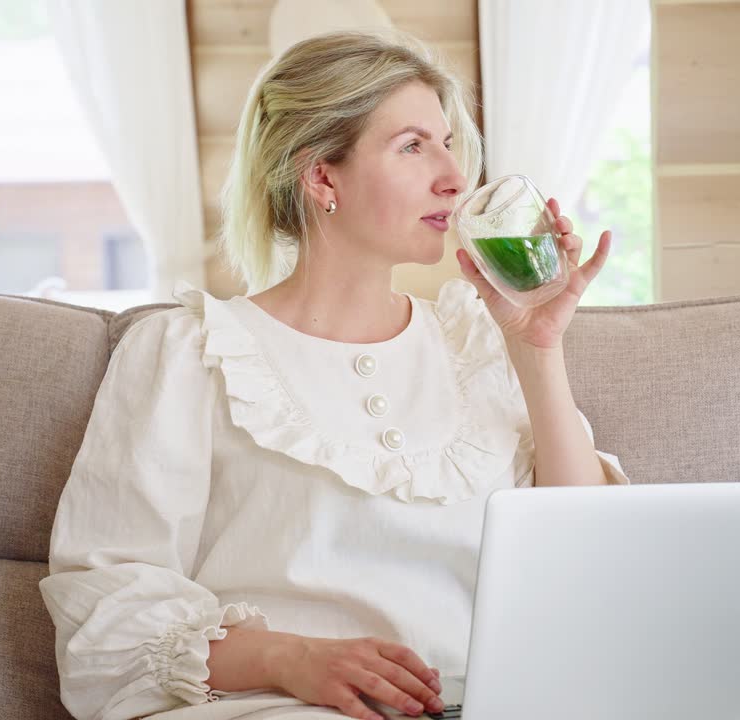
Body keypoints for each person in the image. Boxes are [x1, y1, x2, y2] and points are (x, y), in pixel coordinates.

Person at [38, 29, 629, 720]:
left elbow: (587, 553)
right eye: (413, 146)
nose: (453, 177)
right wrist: (292, 658)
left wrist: (538, 347)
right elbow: (109, 608)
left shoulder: (478, 340)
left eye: (447, 144)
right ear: (322, 177)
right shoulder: (186, 351)